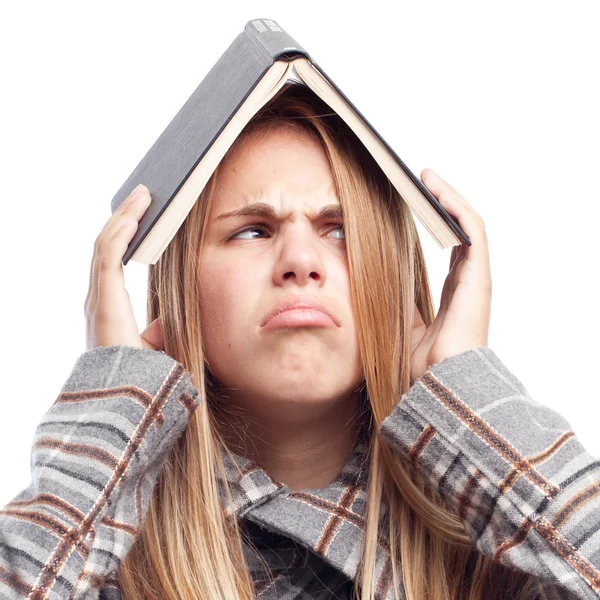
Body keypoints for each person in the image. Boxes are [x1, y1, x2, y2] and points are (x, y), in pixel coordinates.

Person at [1, 83, 598, 600]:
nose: (301, 262)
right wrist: (115, 408)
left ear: (394, 277)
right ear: (183, 288)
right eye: (253, 230)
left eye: (338, 230)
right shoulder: (102, 559)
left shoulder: (499, 557)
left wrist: (465, 386)